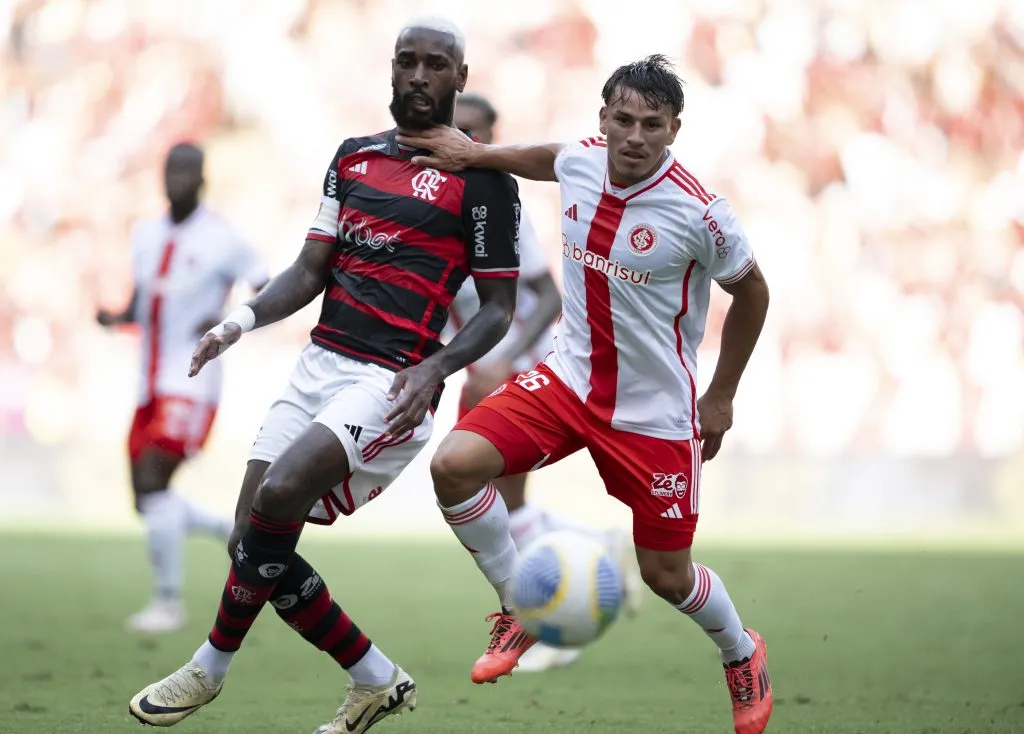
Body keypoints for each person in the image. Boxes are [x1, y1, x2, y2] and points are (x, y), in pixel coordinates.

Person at [128, 17, 522, 734]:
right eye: (408, 62)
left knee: (277, 499)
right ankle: (374, 679)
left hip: (392, 380)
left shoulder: (486, 183)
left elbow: (498, 309)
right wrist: (237, 324)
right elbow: (310, 270)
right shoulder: (353, 158)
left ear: (459, 79)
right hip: (320, 365)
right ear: (392, 70)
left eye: (437, 65)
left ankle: (208, 668)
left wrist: (437, 366)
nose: (420, 76)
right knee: (249, 539)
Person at [398, 55, 773, 734]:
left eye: (651, 125)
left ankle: (741, 653)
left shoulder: (700, 211)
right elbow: (549, 157)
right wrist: (478, 154)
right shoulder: (582, 158)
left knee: (666, 577)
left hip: (654, 412)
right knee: (453, 466)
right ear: (603, 119)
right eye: (623, 119)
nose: (635, 136)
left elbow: (752, 291)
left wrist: (721, 396)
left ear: (673, 130)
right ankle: (520, 607)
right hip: (568, 381)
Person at [451, 92, 644, 673]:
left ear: (492, 136)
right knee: (494, 504)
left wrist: (500, 359)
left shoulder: (498, 203)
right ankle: (590, 546)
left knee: (490, 500)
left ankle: (556, 625)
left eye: (475, 133)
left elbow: (545, 296)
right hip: (487, 367)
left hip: (524, 367)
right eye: (454, 130)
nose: (463, 143)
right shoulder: (433, 201)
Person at [96, 142, 268, 634]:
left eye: (187, 171)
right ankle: (230, 530)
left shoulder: (223, 238)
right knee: (146, 499)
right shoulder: (146, 234)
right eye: (171, 169)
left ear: (202, 179)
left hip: (192, 382)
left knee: (154, 480)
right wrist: (117, 317)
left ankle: (167, 604)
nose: (178, 179)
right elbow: (141, 301)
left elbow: (267, 284)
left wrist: (232, 319)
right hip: (148, 381)